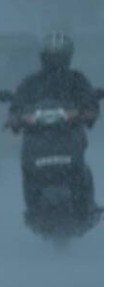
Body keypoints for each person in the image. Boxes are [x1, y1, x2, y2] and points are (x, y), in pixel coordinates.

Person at [8, 31, 102, 214]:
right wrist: (15, 117)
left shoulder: (77, 80)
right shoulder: (31, 83)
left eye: (58, 57)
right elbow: (17, 104)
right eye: (51, 56)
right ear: (43, 57)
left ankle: (87, 203)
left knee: (83, 169)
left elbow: (90, 102)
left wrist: (89, 112)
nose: (55, 61)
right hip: (36, 136)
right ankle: (32, 204)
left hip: (69, 134)